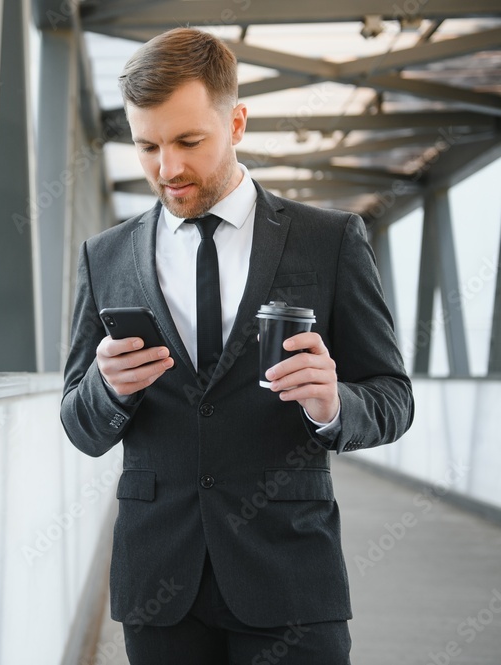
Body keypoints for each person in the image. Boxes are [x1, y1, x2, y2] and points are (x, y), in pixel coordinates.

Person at [60, 28, 414, 664]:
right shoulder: (105, 257)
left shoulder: (328, 241)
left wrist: (333, 405)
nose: (168, 169)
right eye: (148, 146)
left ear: (237, 122)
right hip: (158, 587)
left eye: (189, 141)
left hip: (289, 576)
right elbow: (79, 426)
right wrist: (105, 389)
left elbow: (393, 398)